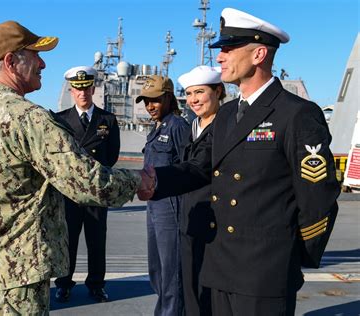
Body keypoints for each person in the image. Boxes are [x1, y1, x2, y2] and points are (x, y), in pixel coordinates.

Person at [146, 8, 339, 316]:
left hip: (265, 270)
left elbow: (319, 195)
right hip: (220, 265)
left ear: (259, 54)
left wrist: (291, 259)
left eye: (229, 48)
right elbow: (200, 167)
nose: (220, 57)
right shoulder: (226, 114)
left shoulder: (296, 114)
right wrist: (154, 180)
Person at [0, 21, 153, 315]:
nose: (43, 62)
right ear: (11, 61)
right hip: (23, 276)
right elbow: (86, 182)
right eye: (35, 55)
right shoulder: (29, 117)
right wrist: (138, 181)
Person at [53, 66, 120, 303]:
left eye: (86, 88)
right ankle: (63, 283)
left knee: (96, 241)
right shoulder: (60, 119)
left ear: (93, 88)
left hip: (95, 193)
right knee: (67, 241)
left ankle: (96, 284)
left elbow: (111, 156)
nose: (82, 93)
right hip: (70, 194)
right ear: (71, 91)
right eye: (77, 89)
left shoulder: (107, 120)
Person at [137, 75, 190, 316]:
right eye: (146, 101)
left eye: (155, 100)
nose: (150, 106)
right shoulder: (157, 128)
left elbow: (190, 168)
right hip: (154, 205)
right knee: (156, 269)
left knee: (171, 271)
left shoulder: (178, 127)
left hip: (171, 207)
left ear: (168, 98)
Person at [177, 65, 225, 316]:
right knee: (190, 288)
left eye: (200, 92)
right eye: (189, 93)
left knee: (210, 293)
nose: (193, 100)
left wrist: (154, 181)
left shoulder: (226, 128)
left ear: (218, 91)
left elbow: (197, 168)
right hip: (189, 219)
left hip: (214, 223)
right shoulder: (192, 126)